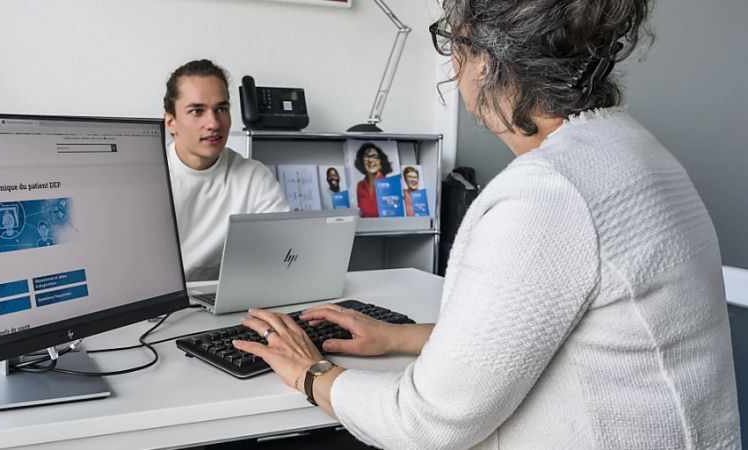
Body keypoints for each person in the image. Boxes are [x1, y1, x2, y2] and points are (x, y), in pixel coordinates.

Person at [232, 1, 740, 448]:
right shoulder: (634, 150)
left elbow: (423, 424)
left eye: (455, 43)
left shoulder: (548, 194)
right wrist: (401, 337)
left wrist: (310, 371)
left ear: (489, 61)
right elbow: (545, 333)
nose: (453, 64)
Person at [163, 59, 289, 281]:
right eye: (197, 111)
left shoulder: (254, 177)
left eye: (221, 109)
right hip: (165, 303)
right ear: (171, 122)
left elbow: (284, 253)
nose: (213, 123)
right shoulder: (149, 178)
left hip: (231, 297)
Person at [353, 142, 393, 218]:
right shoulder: (360, 185)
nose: (370, 160)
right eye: (366, 157)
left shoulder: (389, 183)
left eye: (374, 157)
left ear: (381, 162)